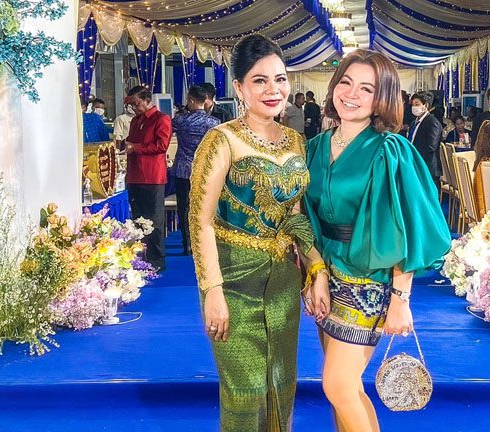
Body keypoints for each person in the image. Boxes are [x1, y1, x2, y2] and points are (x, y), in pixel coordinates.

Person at [302, 49, 451, 432]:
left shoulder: (389, 150)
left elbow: (407, 228)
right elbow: (305, 219)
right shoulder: (315, 147)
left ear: (382, 98)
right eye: (346, 82)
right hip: (326, 277)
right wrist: (315, 273)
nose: (351, 94)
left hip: (369, 281)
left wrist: (401, 299)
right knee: (345, 389)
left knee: (337, 385)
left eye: (366, 89)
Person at [188, 34, 318, 431]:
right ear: (240, 87)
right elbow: (200, 220)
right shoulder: (221, 140)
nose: (273, 90)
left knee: (281, 381)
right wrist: (212, 291)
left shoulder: (296, 141)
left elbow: (295, 215)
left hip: (283, 280)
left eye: (280, 79)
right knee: (244, 390)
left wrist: (315, 268)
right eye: (259, 80)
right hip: (233, 279)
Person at [124, 85, 172, 272]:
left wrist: (135, 147)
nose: (134, 108)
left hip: (152, 176)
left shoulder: (161, 119)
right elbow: (131, 142)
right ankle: (141, 258)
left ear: (147, 101)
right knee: (137, 219)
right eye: (132, 105)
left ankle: (156, 260)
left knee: (154, 220)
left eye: (137, 104)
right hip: (134, 175)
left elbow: (161, 146)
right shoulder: (135, 121)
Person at [172, 85, 220, 256]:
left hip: (183, 169)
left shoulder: (180, 120)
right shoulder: (213, 123)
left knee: (184, 207)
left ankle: (187, 243)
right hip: (205, 171)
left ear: (191, 101)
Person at [408, 91, 443, 186]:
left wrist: (415, 155)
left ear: (426, 105)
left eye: (417, 104)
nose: (414, 107)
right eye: (413, 105)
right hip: (414, 165)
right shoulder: (413, 123)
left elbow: (431, 146)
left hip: (427, 167)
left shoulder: (433, 123)